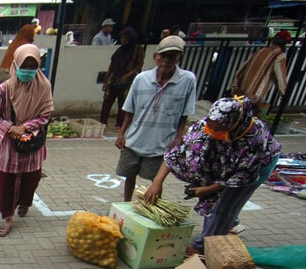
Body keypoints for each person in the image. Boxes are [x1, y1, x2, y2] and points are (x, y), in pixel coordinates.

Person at [143, 96, 281, 256]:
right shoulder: (203, 127)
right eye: (210, 127)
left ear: (233, 124)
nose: (213, 133)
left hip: (255, 168)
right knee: (217, 200)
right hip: (221, 161)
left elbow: (239, 178)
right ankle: (230, 223)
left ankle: (202, 246)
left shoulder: (253, 140)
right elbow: (176, 153)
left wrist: (208, 189)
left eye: (219, 130)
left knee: (224, 205)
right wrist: (157, 182)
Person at [114, 35, 196, 202]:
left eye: (172, 56)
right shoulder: (141, 79)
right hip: (135, 139)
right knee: (129, 175)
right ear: (155, 57)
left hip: (161, 142)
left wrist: (179, 137)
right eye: (163, 56)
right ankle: (126, 204)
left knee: (156, 179)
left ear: (179, 58)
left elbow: (184, 114)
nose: (167, 60)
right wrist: (122, 133)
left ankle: (153, 207)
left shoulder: (187, 80)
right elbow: (129, 110)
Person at [0, 44, 54, 237]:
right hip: (9, 146)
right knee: (7, 184)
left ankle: (25, 202)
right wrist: (10, 129)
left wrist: (25, 127)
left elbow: (45, 115)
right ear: (16, 65)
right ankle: (8, 218)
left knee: (31, 179)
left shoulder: (44, 86)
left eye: (33, 67)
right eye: (25, 67)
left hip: (32, 144)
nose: (28, 71)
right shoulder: (4, 89)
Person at [230, 30, 291, 111]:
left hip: (241, 91)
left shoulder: (260, 51)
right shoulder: (279, 56)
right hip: (254, 95)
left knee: (235, 113)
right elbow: (280, 78)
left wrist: (235, 88)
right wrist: (284, 94)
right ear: (284, 44)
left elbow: (241, 71)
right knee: (245, 116)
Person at [100, 27, 145, 131]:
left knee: (123, 103)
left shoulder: (138, 50)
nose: (122, 40)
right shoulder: (120, 50)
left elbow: (138, 66)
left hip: (127, 81)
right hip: (114, 79)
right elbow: (112, 65)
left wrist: (127, 76)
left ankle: (119, 124)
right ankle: (103, 123)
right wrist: (106, 80)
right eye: (122, 38)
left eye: (125, 38)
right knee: (107, 101)